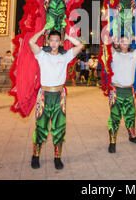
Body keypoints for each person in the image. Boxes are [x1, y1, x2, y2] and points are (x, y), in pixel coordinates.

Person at [29, 28, 83, 170]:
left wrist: (67, 37)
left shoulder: (64, 57)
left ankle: (57, 157)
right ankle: (35, 156)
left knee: (59, 127)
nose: (53, 43)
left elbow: (80, 46)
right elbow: (31, 42)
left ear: (60, 42)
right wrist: (41, 31)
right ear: (48, 41)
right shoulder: (42, 55)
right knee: (41, 127)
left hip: (59, 95)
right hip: (44, 95)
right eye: (51, 40)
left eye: (56, 41)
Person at [107, 35, 136, 153]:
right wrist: (114, 39)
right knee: (114, 117)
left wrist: (133, 37)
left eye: (127, 41)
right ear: (119, 44)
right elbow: (105, 42)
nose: (124, 42)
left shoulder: (134, 55)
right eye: (122, 41)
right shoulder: (114, 54)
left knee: (131, 115)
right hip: (116, 91)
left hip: (128, 91)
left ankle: (132, 137)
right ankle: (112, 141)